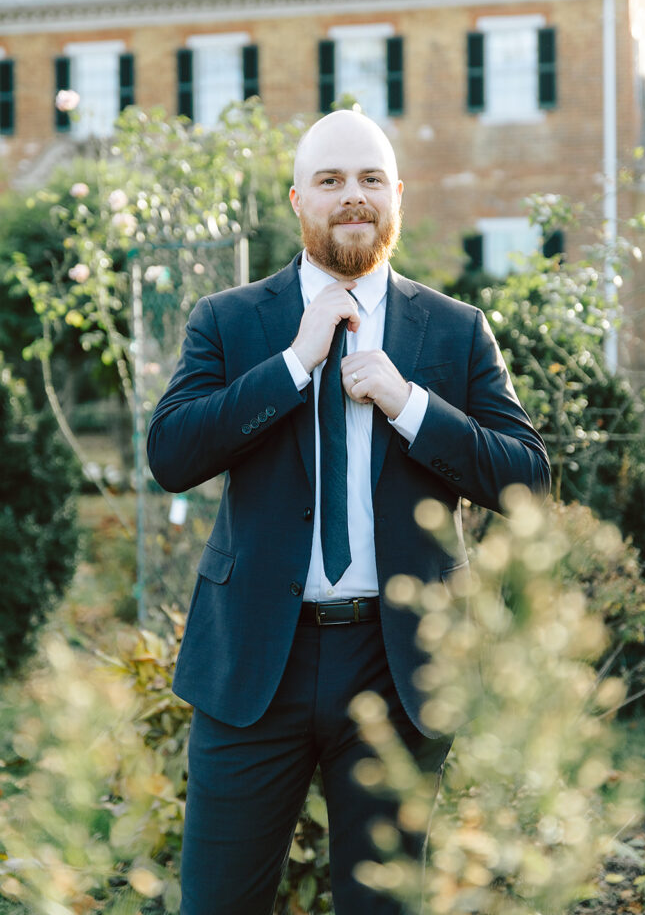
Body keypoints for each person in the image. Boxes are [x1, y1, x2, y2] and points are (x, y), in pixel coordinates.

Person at [147, 109, 551, 915]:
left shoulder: (455, 328)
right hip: (254, 665)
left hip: (396, 665)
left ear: (396, 195)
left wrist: (409, 405)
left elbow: (526, 481)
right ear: (297, 200)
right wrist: (294, 363)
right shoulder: (228, 321)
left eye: (369, 179)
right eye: (330, 181)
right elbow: (172, 456)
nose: (351, 196)